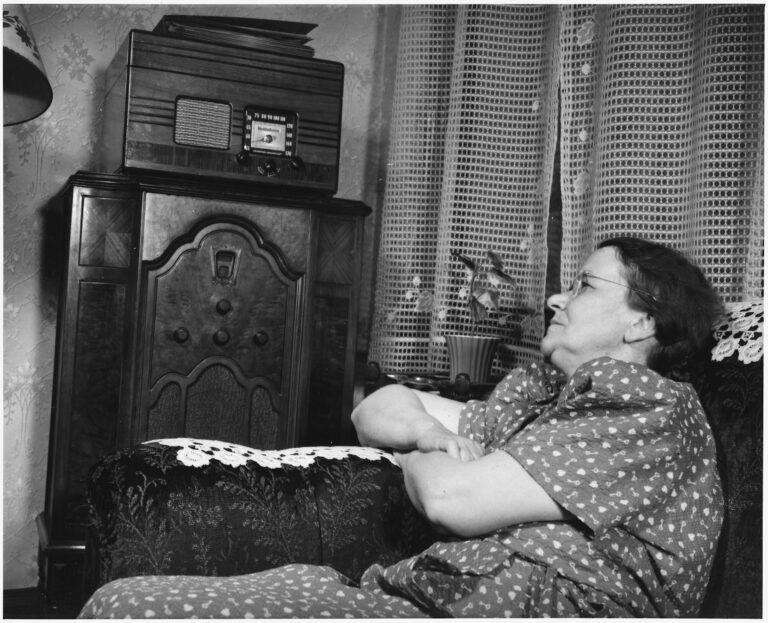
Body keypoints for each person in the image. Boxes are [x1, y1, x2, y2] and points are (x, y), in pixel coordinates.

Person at [79, 236, 724, 618]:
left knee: (128, 610)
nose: (557, 298)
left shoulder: (646, 406)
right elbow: (376, 408)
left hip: (469, 610)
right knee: (123, 601)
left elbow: (450, 499)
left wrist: (427, 456)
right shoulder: (547, 392)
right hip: (424, 594)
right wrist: (425, 435)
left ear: (643, 323)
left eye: (583, 286)